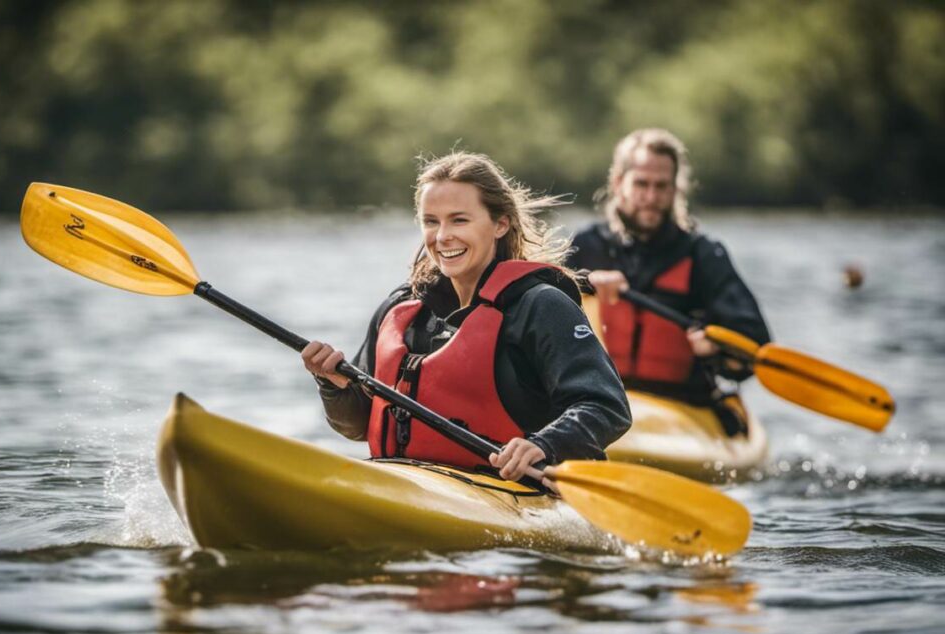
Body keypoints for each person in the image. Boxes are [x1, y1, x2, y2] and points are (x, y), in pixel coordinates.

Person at [302, 152, 632, 491]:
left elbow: (607, 406)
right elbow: (358, 425)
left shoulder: (541, 306)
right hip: (414, 482)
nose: (443, 236)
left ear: (500, 224)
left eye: (459, 220)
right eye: (431, 221)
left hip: (516, 492)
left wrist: (543, 445)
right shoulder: (402, 309)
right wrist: (333, 386)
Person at [567, 129, 770, 434]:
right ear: (618, 183)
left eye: (662, 186)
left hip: (683, 409)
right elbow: (533, 302)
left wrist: (714, 351)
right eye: (641, 184)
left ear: (676, 189)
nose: (651, 197)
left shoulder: (703, 255)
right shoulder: (586, 246)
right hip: (596, 400)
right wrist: (583, 281)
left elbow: (754, 347)